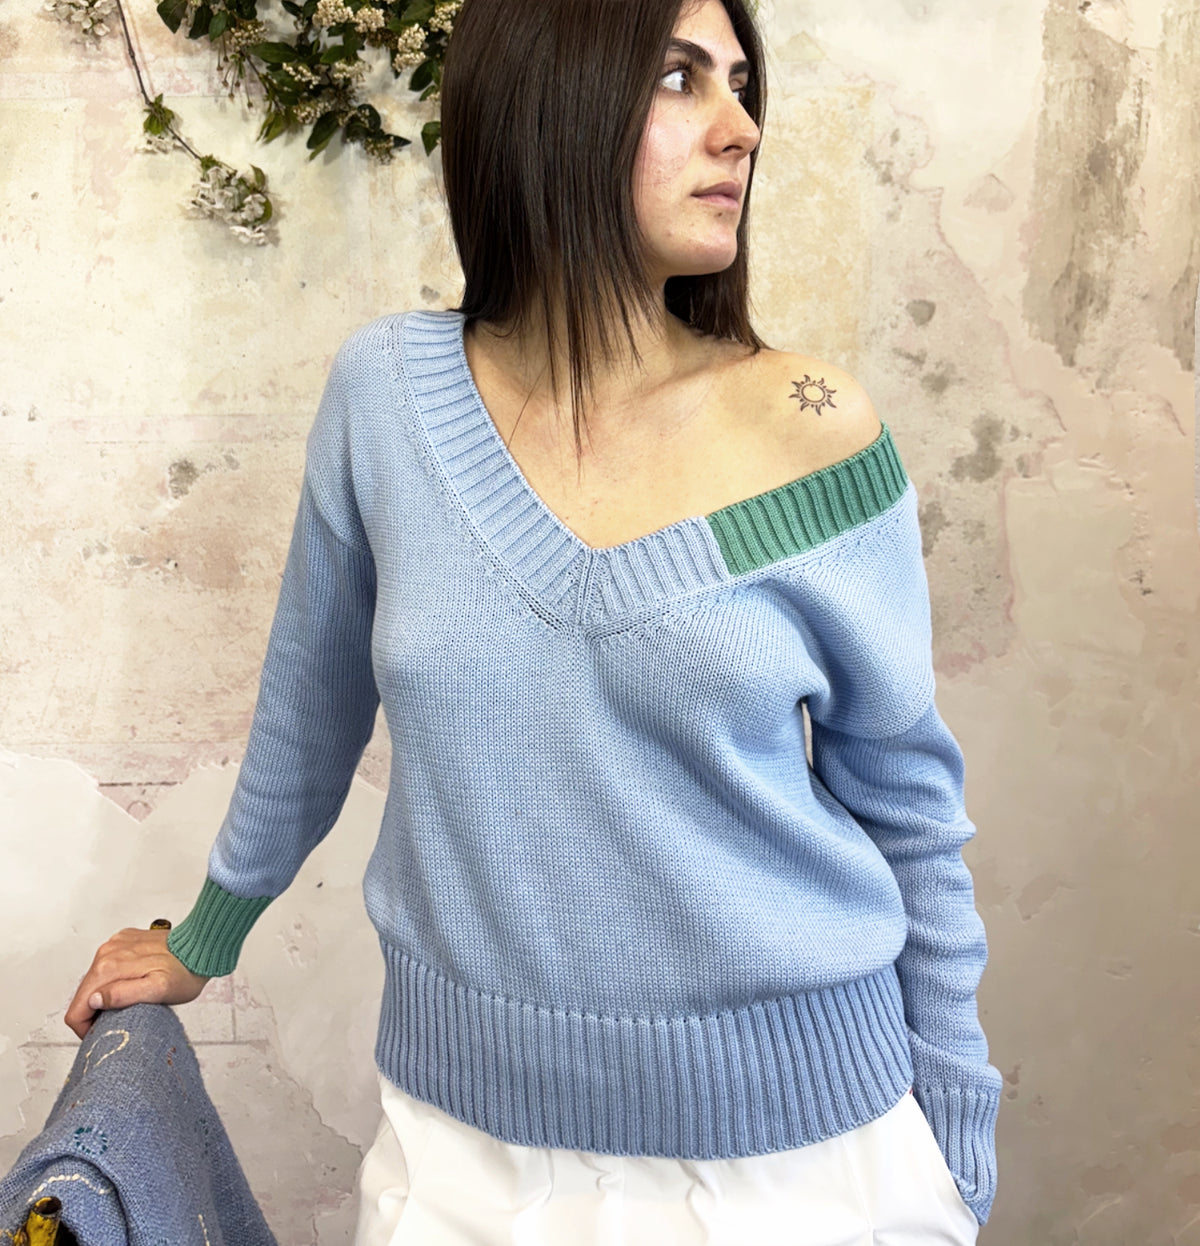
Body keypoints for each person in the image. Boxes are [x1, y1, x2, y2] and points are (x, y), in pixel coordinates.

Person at [66, 0, 1002, 1240]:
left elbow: (908, 802)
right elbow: (310, 707)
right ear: (547, 92)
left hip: (806, 1161)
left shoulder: (810, 430)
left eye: (739, 83)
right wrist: (207, 934)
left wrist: (955, 1129)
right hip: (468, 1158)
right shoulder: (387, 398)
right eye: (680, 78)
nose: (741, 127)